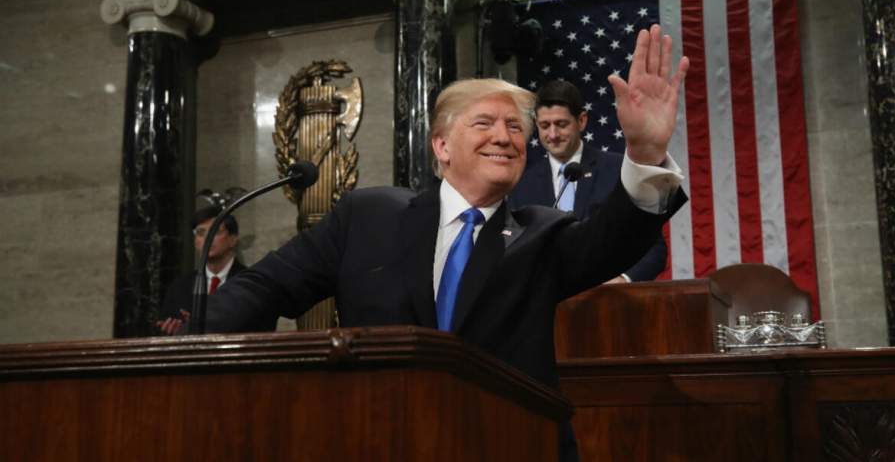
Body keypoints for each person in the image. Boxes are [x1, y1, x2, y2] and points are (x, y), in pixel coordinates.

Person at [203, 25, 690, 461]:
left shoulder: (540, 234)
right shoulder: (367, 218)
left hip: (508, 444)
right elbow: (263, 288)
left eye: (516, 128)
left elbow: (614, 240)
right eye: (485, 123)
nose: (504, 136)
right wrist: (194, 358)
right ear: (441, 146)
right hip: (380, 441)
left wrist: (645, 151)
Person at [509, 79, 671, 283]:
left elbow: (654, 248)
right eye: (544, 126)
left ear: (582, 121)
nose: (553, 134)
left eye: (561, 124)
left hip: (613, 302)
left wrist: (623, 280)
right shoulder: (522, 183)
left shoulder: (619, 170)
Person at [157, 205, 276, 334]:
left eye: (215, 232)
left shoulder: (252, 283)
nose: (208, 238)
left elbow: (264, 329)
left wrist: (209, 324)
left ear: (233, 239)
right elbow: (162, 331)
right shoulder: (179, 287)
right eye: (200, 233)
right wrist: (176, 330)